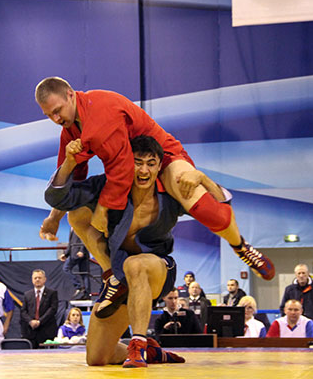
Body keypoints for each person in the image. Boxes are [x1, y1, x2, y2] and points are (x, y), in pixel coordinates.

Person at [36, 77, 275, 284]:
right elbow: (69, 179)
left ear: (70, 94)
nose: (56, 118)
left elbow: (120, 170)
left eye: (57, 110)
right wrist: (53, 218)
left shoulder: (100, 114)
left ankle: (240, 246)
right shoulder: (70, 129)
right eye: (49, 115)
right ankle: (112, 277)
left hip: (161, 158)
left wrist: (103, 210)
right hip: (130, 175)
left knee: (208, 209)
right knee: (76, 216)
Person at [45, 135, 203, 367]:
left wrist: (200, 177)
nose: (144, 170)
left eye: (151, 163)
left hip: (157, 269)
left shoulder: (170, 193)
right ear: (128, 162)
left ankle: (138, 344)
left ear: (159, 166)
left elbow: (219, 203)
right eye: (138, 162)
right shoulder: (109, 186)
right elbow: (60, 197)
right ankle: (150, 350)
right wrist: (69, 164)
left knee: (135, 264)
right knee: (97, 358)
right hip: (122, 271)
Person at [20, 269, 59, 348]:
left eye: (39, 278)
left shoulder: (52, 293)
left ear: (44, 279)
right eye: (35, 278)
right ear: (32, 280)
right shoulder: (27, 294)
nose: (37, 279)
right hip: (30, 331)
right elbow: (23, 311)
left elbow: (53, 309)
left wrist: (39, 321)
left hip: (46, 330)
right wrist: (30, 321)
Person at [59, 228, 90, 300]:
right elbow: (71, 242)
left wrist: (82, 250)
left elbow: (84, 237)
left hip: (79, 253)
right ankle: (83, 291)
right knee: (84, 274)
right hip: (75, 252)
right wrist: (66, 254)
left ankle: (81, 289)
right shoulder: (71, 228)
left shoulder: (79, 224)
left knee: (67, 268)